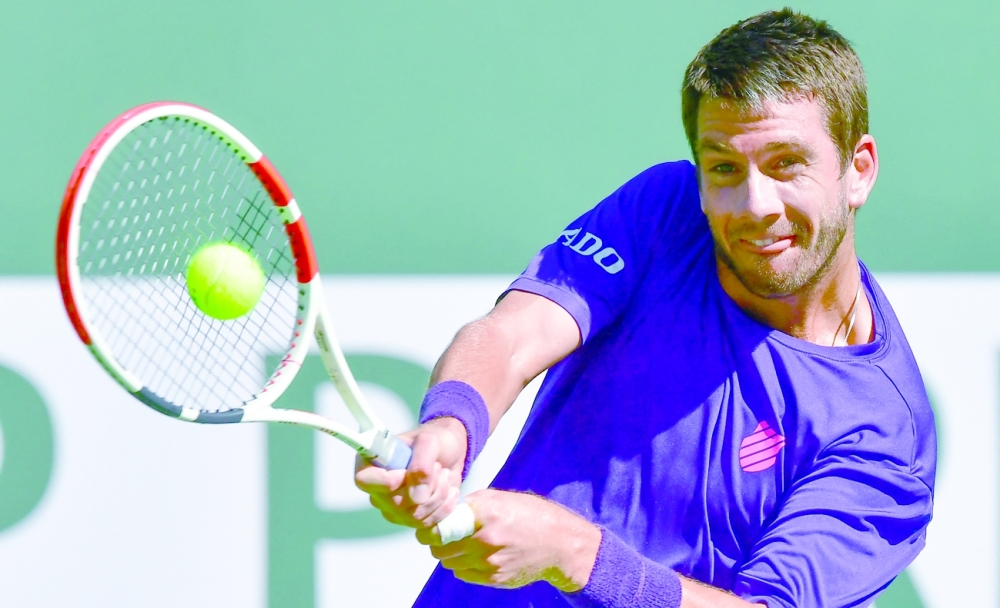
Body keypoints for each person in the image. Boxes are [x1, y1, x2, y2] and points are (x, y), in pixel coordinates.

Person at [356, 8, 936, 608]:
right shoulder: (664, 210)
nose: (755, 203)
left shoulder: (885, 439)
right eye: (724, 169)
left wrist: (573, 554)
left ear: (858, 171)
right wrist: (451, 424)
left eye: (787, 164)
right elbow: (515, 334)